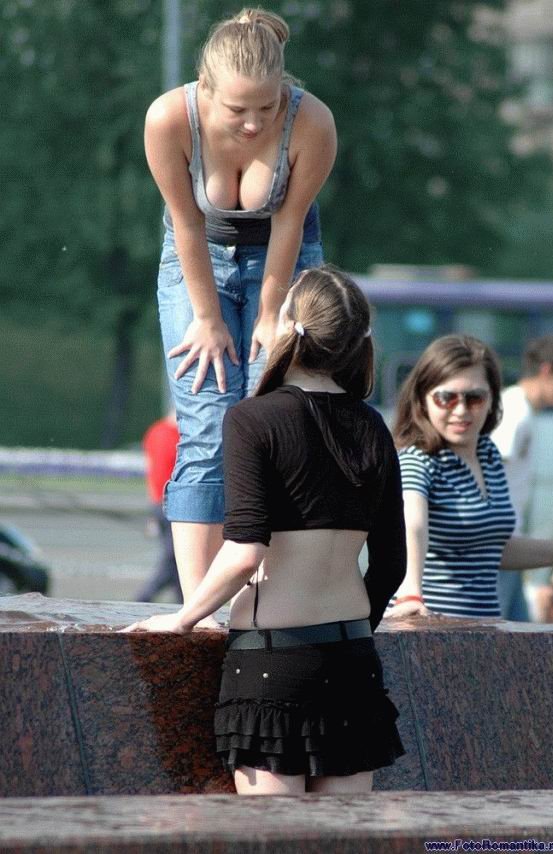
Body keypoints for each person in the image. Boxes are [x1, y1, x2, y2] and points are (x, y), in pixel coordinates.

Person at [123, 266, 407, 795]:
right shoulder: (371, 425)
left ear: (288, 328)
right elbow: (391, 563)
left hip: (273, 661)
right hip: (352, 658)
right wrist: (350, 624)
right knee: (344, 843)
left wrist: (182, 618)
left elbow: (245, 551)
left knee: (276, 842)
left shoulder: (255, 419)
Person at [146, 8, 337, 618]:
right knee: (206, 420)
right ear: (206, 91)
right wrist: (206, 317)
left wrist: (269, 313)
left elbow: (287, 223)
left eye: (267, 106)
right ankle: (197, 608)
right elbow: (186, 224)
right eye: (237, 111)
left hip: (284, 260)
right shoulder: (169, 118)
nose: (254, 123)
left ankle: (261, 598)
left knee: (272, 416)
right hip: (194, 261)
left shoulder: (312, 122)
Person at [385, 334, 553, 620]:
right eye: (446, 398)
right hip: (427, 633)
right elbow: (413, 523)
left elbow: (495, 548)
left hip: (482, 634)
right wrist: (411, 592)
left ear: (492, 399)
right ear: (423, 399)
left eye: (474, 398)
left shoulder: (488, 455)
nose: (460, 410)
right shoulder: (419, 459)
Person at [491, 335, 553, 622]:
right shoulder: (515, 410)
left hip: (510, 544)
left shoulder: (521, 409)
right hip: (500, 548)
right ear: (547, 370)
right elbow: (490, 467)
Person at [135, 411, 183, 604]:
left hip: (161, 502)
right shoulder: (181, 435)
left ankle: (186, 602)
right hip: (172, 502)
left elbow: (150, 469)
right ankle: (143, 597)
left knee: (177, 557)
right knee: (173, 557)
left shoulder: (155, 431)